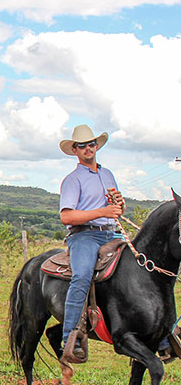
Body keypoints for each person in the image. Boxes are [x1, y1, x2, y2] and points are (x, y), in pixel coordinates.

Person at [58, 124, 124, 363]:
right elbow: (66, 216)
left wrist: (118, 206)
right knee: (82, 276)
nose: (88, 148)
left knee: (140, 264)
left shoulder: (107, 174)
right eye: (82, 145)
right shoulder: (72, 179)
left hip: (112, 232)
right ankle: (70, 338)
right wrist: (101, 211)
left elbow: (115, 208)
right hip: (84, 235)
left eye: (91, 144)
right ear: (75, 150)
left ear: (97, 146)